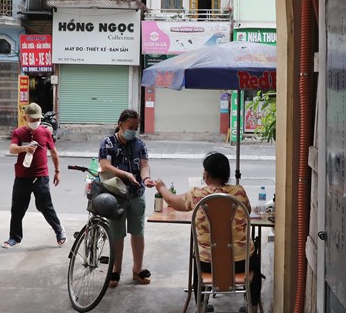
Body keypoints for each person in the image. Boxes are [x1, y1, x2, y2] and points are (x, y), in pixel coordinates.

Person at [155, 152, 261, 312]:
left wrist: (161, 187)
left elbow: (172, 201)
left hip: (208, 264)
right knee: (255, 259)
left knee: (199, 257)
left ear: (207, 174)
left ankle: (201, 306)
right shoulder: (239, 192)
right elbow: (247, 210)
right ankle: (252, 305)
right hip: (242, 264)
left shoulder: (197, 194)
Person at [98, 109, 155, 287]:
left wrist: (145, 178)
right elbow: (105, 165)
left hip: (137, 194)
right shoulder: (108, 143)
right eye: (130, 127)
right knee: (117, 234)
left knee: (138, 232)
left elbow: (145, 165)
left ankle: (137, 270)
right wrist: (126, 174)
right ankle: (116, 270)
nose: (133, 131)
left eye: (136, 128)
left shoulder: (140, 144)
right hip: (115, 195)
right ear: (120, 124)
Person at [2, 102, 66, 248]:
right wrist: (25, 148)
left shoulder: (45, 132)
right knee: (18, 208)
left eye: (38, 119)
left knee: (45, 206)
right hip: (22, 176)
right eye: (33, 120)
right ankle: (14, 237)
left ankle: (59, 230)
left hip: (41, 176)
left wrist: (57, 171)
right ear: (26, 118)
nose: (36, 122)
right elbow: (12, 149)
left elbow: (54, 152)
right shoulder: (18, 132)